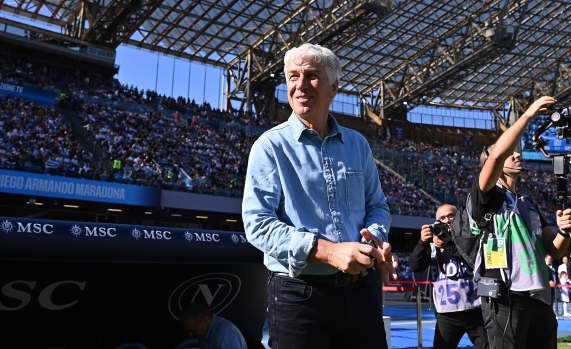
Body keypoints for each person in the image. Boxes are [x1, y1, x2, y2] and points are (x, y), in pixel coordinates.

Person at [242, 43, 396, 349]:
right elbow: (257, 224)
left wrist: (373, 240)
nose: (299, 85)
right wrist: (329, 252)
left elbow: (377, 206)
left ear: (334, 87)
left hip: (360, 292)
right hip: (299, 296)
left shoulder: (358, 145)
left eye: (311, 75)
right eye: (292, 76)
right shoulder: (269, 147)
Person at [469, 96, 571, 349]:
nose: (517, 155)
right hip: (506, 297)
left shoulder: (528, 203)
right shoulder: (484, 196)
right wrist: (528, 115)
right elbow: (496, 155)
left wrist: (565, 231)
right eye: (510, 153)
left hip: (540, 297)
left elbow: (554, 248)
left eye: (518, 152)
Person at [409, 204, 489, 349]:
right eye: (442, 218)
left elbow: (478, 262)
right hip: (447, 315)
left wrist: (449, 245)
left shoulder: (471, 236)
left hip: (477, 311)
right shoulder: (432, 244)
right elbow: (415, 266)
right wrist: (422, 242)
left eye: (451, 216)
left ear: (459, 217)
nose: (446, 220)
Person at [180, 302, 248, 349]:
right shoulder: (204, 334)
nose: (190, 335)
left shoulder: (225, 335)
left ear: (205, 320)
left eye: (192, 330)